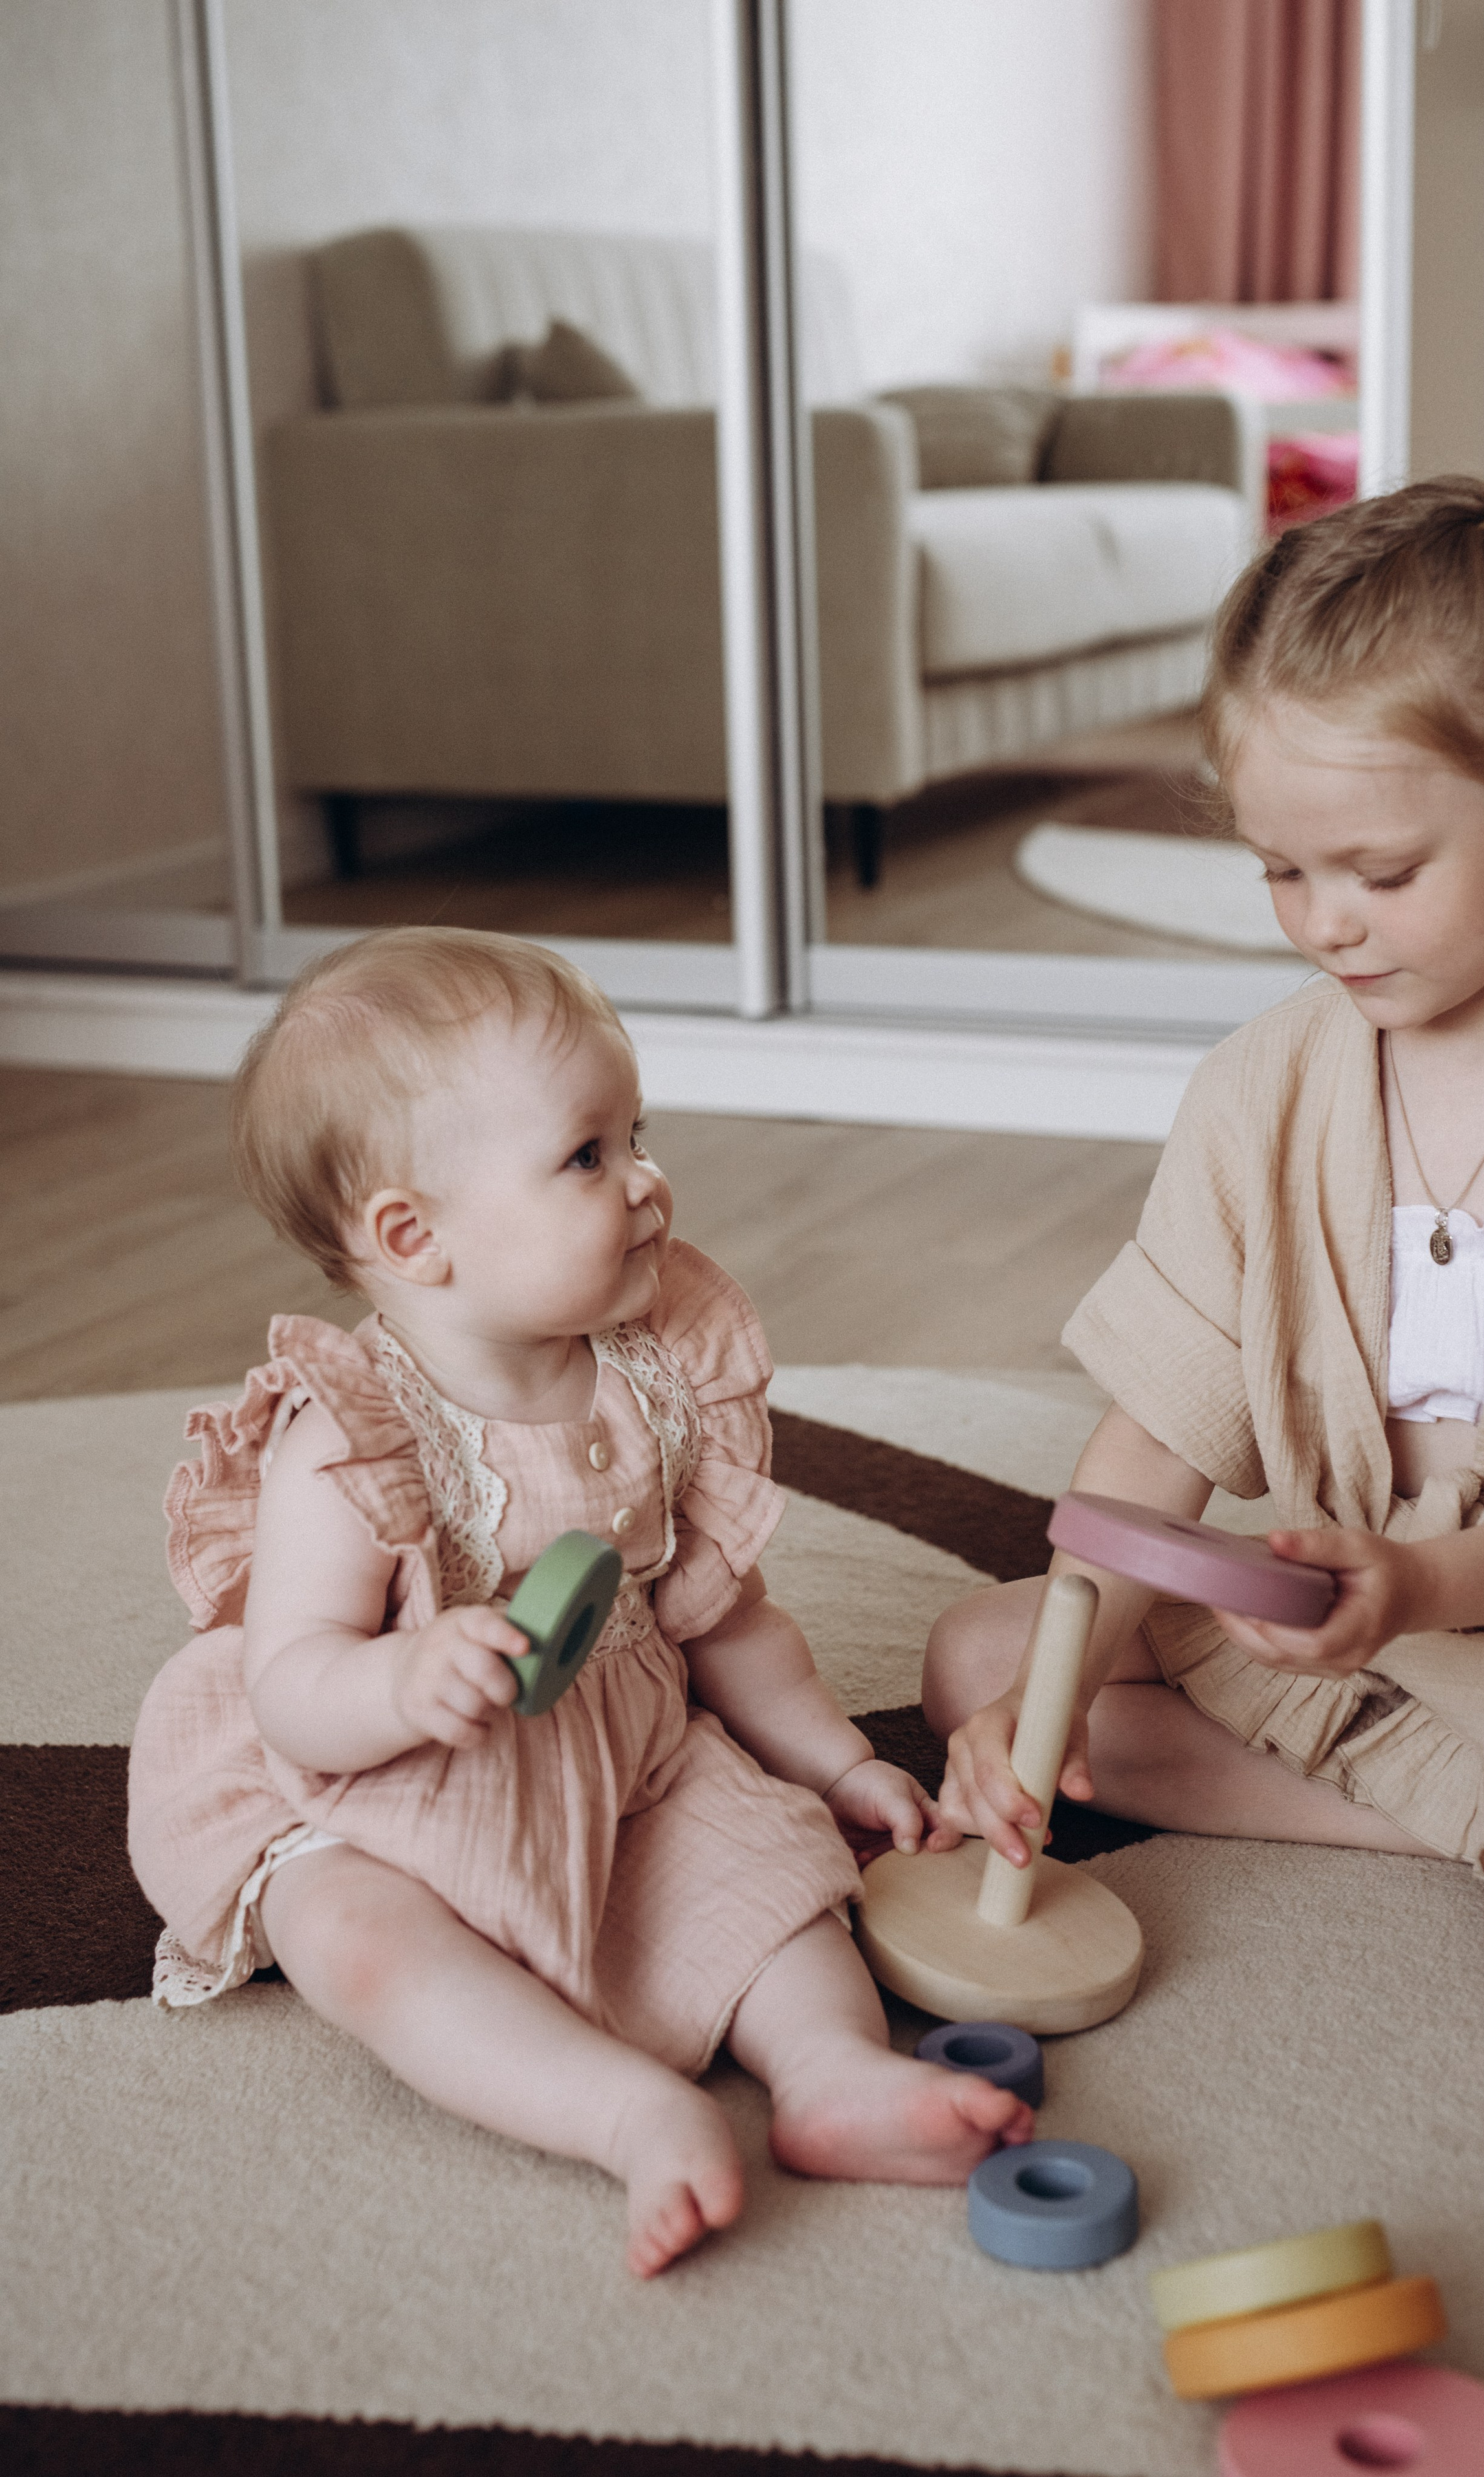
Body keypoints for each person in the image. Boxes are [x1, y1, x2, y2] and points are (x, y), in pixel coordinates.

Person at [128, 929, 1031, 2280]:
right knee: (357, 1940)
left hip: (629, 1750)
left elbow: (723, 1615)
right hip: (394, 1783)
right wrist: (404, 1680)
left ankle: (830, 2074)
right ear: (413, 1236)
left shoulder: (650, 1377)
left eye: (636, 1135)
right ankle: (622, 2115)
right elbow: (291, 1686)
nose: (647, 1182)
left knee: (778, 1880)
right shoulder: (352, 1444)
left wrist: (837, 1761)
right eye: (588, 1157)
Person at [925, 478, 1484, 2032]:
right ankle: (1469, 1812)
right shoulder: (1259, 1087)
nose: (1323, 923)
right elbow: (1159, 1431)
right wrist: (1042, 1703)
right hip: (1359, 1612)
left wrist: (1420, 1585)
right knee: (990, 1662)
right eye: (1278, 870)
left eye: (1378, 874)